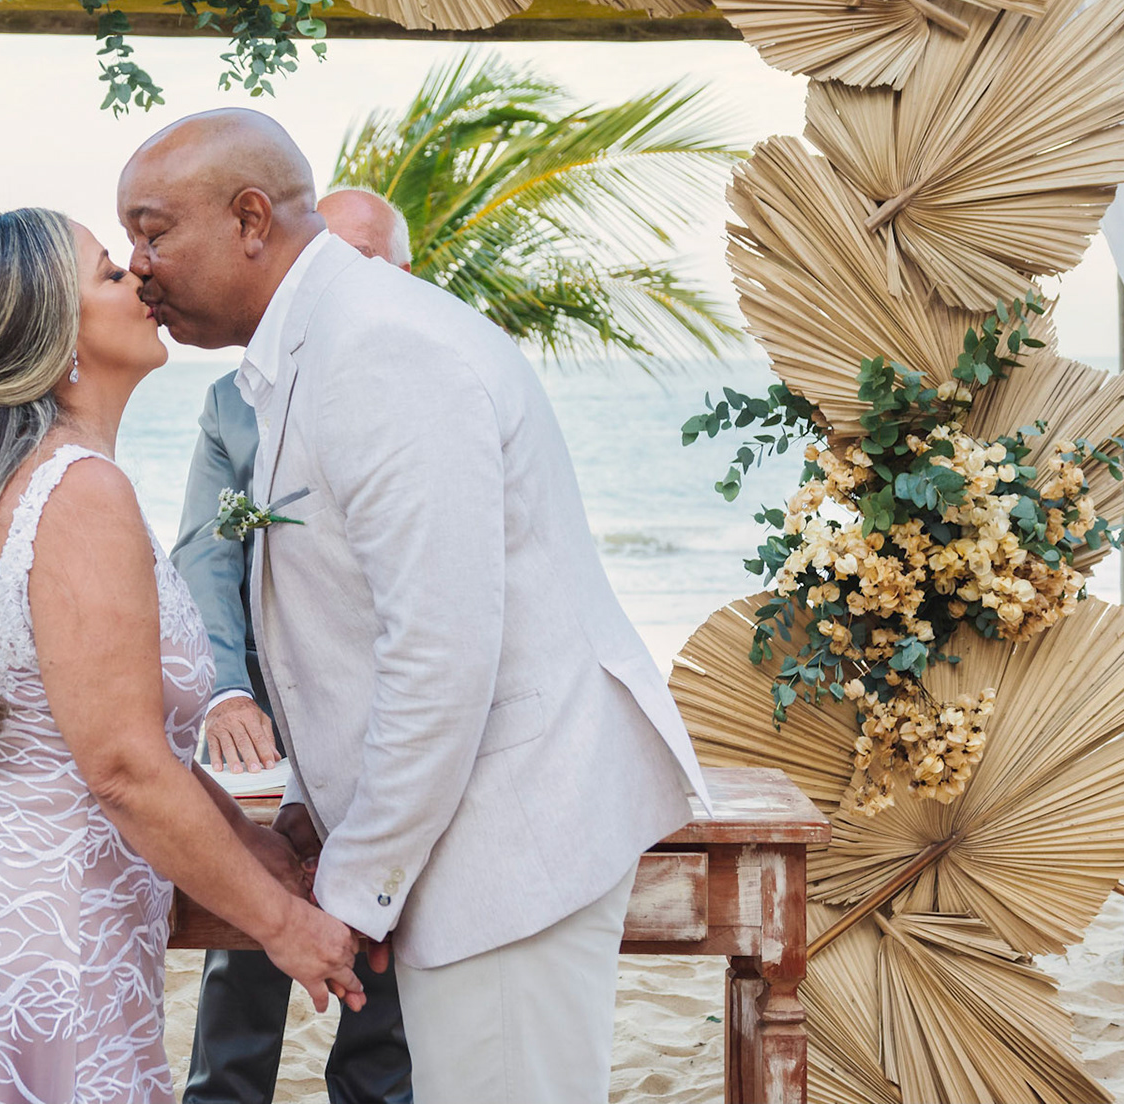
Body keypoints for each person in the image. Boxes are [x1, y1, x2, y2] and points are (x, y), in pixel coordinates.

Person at [119, 112, 713, 1104]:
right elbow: (349, 621)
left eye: (152, 231)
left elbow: (440, 656)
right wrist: (319, 808)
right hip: (467, 826)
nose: (139, 267)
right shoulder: (319, 346)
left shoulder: (378, 350)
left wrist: (350, 893)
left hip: (511, 835)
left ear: (251, 218)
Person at [0, 208, 364, 1104]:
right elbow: (124, 769)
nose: (138, 278)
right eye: (107, 272)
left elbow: (120, 737)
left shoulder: (18, 478)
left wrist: (250, 839)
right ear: (56, 332)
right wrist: (283, 926)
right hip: (40, 919)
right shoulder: (80, 491)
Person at [173, 188, 415, 1104]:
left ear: (399, 276)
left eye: (361, 262)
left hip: (389, 721)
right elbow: (204, 550)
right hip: (268, 722)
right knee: (246, 950)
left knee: (382, 962)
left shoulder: (419, 390)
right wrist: (228, 691)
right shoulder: (232, 401)